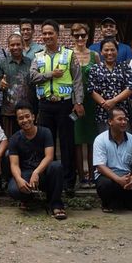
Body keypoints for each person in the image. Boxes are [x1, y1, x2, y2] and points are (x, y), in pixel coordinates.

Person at [30, 20, 84, 194]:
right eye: (44, 33)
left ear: (57, 34)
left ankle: (69, 182)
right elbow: (32, 77)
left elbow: (77, 80)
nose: (47, 36)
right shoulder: (38, 56)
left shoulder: (69, 55)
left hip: (65, 105)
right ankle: (48, 180)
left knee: (67, 143)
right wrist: (50, 74)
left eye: (50, 33)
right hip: (45, 105)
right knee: (47, 143)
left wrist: (78, 102)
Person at [6, 102, 66, 219]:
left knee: (56, 166)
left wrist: (36, 172)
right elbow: (14, 164)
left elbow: (49, 156)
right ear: (17, 121)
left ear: (33, 117)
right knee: (13, 189)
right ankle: (29, 199)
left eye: (27, 116)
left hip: (43, 172)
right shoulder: (14, 139)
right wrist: (19, 180)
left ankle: (56, 204)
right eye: (21, 118)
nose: (25, 120)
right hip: (25, 174)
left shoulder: (45, 132)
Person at [93, 107, 132, 212]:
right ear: (110, 121)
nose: (124, 122)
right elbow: (100, 167)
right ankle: (108, 204)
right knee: (105, 184)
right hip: (110, 177)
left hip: (128, 177)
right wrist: (118, 179)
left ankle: (131, 202)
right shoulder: (100, 140)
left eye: (125, 119)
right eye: (120, 119)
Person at [69, 23, 100, 184]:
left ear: (87, 36)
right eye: (76, 35)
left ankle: (93, 175)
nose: (80, 38)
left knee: (92, 138)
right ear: (72, 37)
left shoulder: (95, 55)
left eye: (83, 35)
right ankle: (81, 175)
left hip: (91, 102)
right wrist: (75, 101)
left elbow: (99, 78)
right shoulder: (68, 55)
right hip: (74, 102)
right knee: (77, 138)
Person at [88, 38, 132, 130]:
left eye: (112, 50)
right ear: (101, 52)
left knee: (124, 140)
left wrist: (114, 101)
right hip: (103, 112)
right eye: (106, 50)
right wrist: (105, 104)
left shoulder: (125, 67)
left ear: (117, 51)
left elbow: (130, 88)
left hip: (122, 112)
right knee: (105, 140)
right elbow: (91, 90)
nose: (109, 53)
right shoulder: (95, 68)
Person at [0, 32, 33, 136]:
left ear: (22, 45)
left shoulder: (30, 62)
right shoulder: (3, 62)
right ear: (8, 46)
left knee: (28, 139)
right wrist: (0, 84)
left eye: (18, 44)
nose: (15, 47)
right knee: (11, 141)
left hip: (27, 111)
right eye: (12, 45)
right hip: (8, 111)